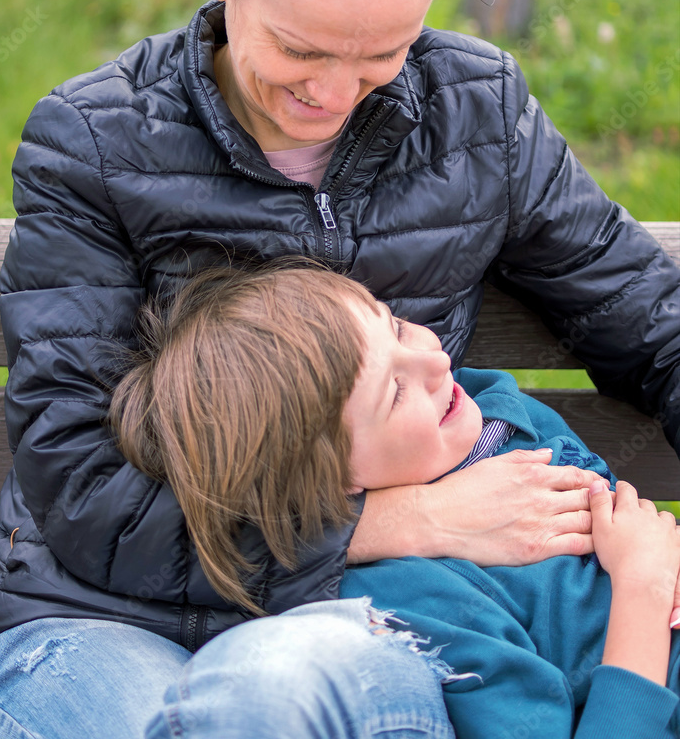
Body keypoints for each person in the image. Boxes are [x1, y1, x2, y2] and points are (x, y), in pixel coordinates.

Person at [0, 0, 680, 738]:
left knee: (275, 690)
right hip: (102, 616)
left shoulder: (477, 112)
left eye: (382, 56)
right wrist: (402, 522)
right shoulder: (93, 141)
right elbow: (83, 490)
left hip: (352, 626)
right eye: (300, 50)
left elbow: (651, 325)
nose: (332, 94)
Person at [107, 260, 680, 739]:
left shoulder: (499, 411)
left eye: (397, 328)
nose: (436, 361)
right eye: (395, 392)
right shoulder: (413, 598)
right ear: (332, 481)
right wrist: (644, 594)